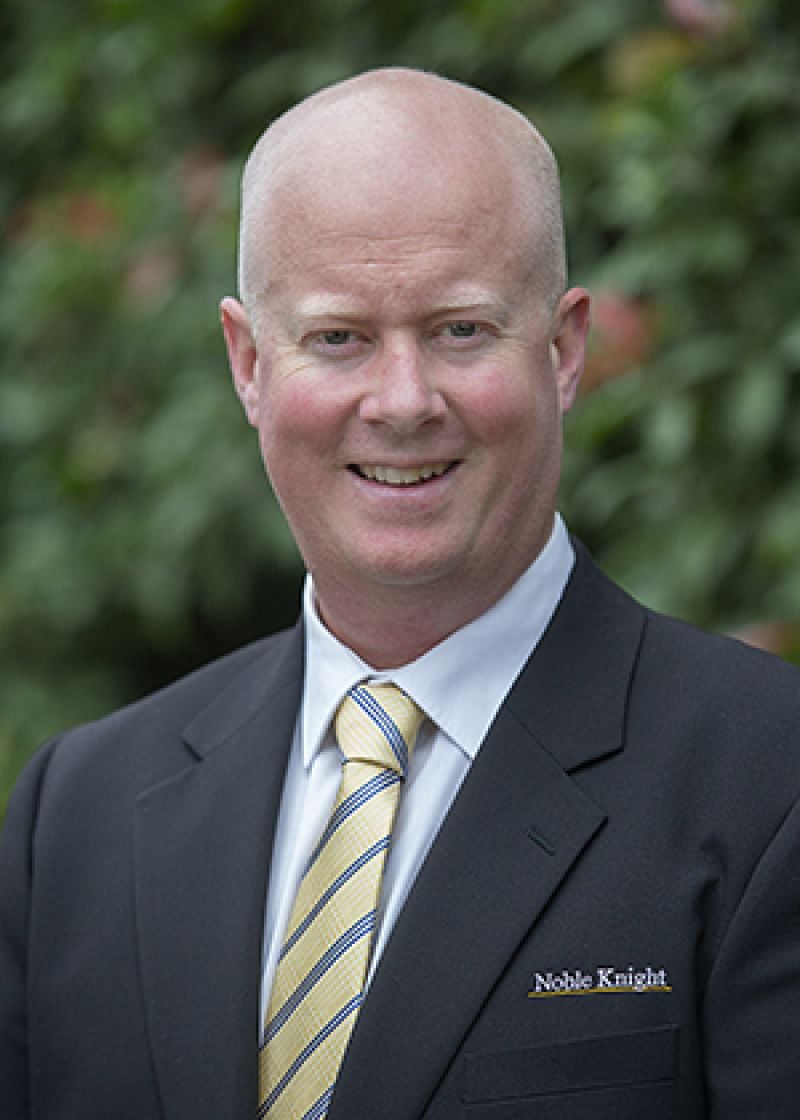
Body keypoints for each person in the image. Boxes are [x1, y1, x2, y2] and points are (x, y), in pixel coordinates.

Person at [1, 67, 798, 1120]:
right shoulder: (76, 818)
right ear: (249, 363)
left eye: (460, 329)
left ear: (564, 351)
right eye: (338, 338)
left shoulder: (770, 778)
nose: (403, 401)